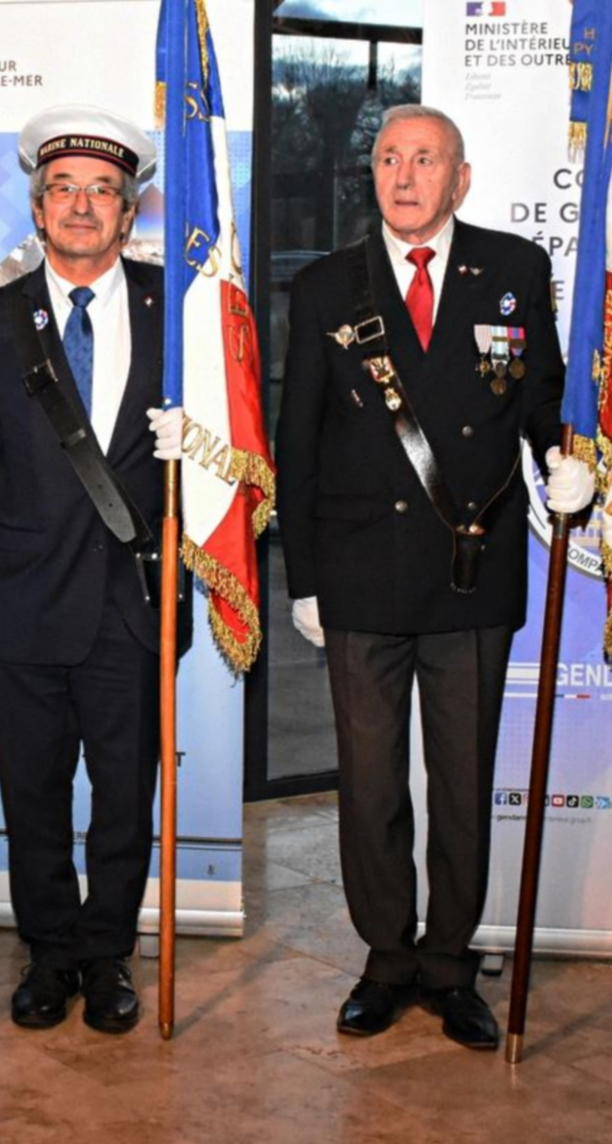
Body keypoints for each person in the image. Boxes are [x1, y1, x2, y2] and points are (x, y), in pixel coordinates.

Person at [277, 104, 595, 1051]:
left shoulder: (510, 271)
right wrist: (303, 575)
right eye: (386, 159)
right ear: (367, 175)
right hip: (362, 572)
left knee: (459, 782)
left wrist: (565, 459)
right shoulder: (329, 284)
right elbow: (299, 440)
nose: (404, 176)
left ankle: (449, 962)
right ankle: (386, 958)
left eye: (425, 160)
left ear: (458, 178)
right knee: (370, 784)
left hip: (470, 568)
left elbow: (540, 394)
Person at [0, 105, 185, 1035]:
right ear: (37, 211)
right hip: (19, 603)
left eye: (103, 192)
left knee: (124, 797)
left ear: (130, 212)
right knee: (32, 796)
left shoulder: (180, 313)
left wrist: (196, 449)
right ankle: (49, 952)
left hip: (133, 600)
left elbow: (234, 455)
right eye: (64, 190)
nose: (83, 206)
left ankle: (106, 953)